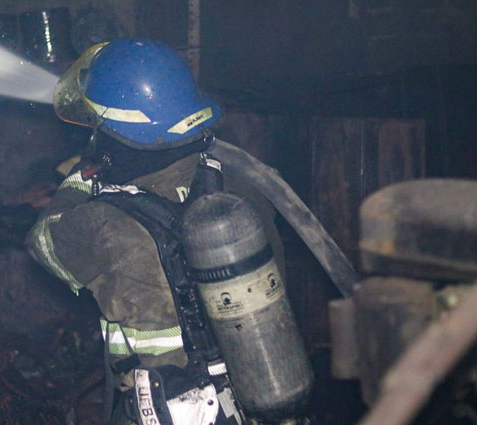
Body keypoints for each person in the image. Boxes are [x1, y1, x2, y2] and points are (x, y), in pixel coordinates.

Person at [26, 39, 287, 425]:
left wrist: (82, 176)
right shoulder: (243, 182)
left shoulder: (106, 223)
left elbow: (42, 243)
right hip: (259, 391)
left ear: (113, 132)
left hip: (166, 408)